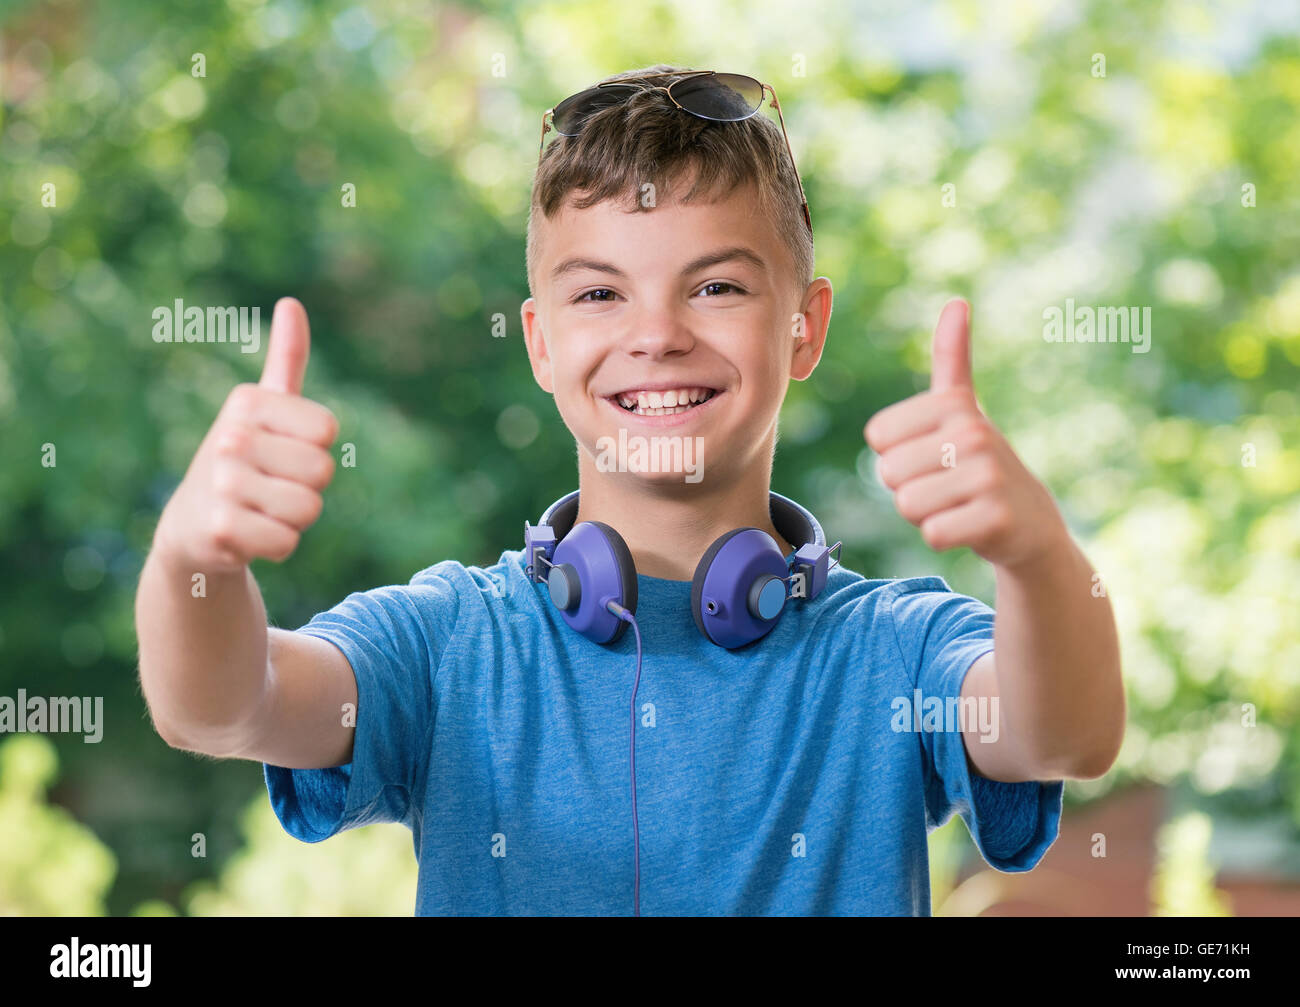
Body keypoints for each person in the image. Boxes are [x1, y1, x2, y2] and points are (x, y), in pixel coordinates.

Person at [135, 63, 1125, 916]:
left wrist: (1036, 559)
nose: (655, 333)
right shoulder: (446, 641)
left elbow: (1065, 734)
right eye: (600, 292)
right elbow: (221, 707)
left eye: (717, 286)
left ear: (804, 327)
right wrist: (192, 561)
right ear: (539, 340)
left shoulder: (894, 650)